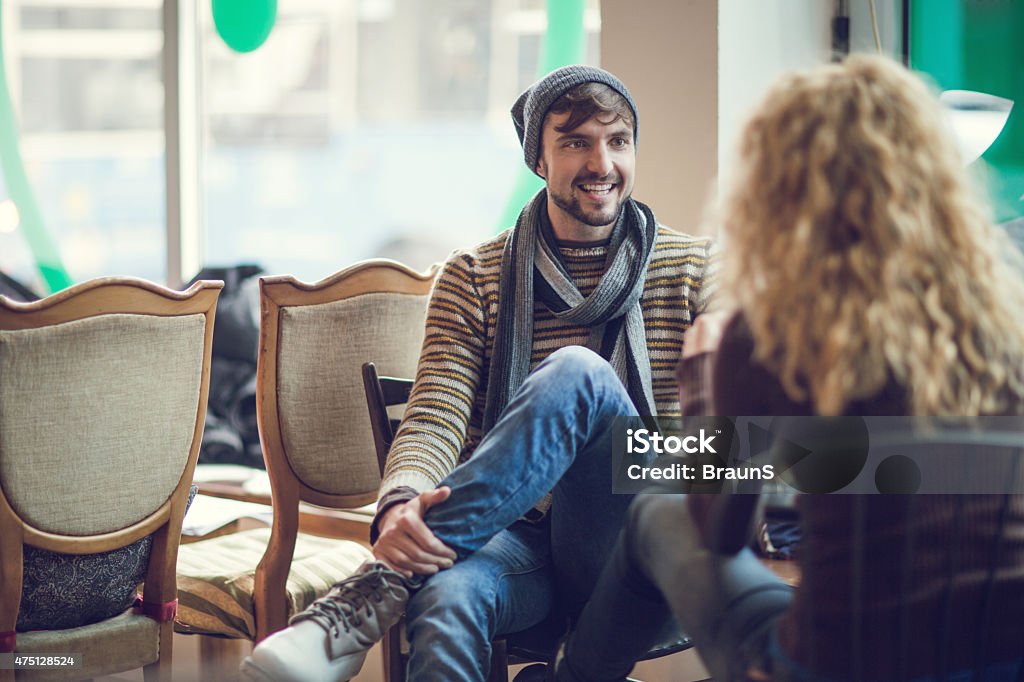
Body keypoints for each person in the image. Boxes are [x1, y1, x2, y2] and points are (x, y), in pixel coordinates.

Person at [552, 54, 1024, 681]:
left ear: (779, 189)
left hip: (833, 664)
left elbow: (720, 531)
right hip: (1001, 655)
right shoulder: (1006, 316)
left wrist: (703, 380)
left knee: (657, 512)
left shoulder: (772, 333)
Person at [243, 65, 716, 682]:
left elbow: (753, 444)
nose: (602, 162)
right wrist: (401, 506)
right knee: (446, 590)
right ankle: (399, 575)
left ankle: (372, 593)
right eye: (576, 142)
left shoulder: (695, 267)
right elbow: (435, 414)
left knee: (580, 375)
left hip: (639, 552)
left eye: (618, 140)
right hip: (516, 543)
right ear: (539, 160)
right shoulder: (473, 277)